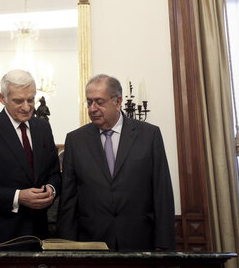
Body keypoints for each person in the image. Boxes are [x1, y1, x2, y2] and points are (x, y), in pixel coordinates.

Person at [57, 74, 175, 251]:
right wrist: (66, 247)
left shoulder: (149, 135)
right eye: (89, 102)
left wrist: (164, 245)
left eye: (99, 102)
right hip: (91, 242)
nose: (93, 108)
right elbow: (68, 199)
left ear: (118, 101)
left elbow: (162, 191)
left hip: (140, 240)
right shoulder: (76, 140)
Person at [0, 69, 62, 248]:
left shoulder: (43, 128)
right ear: (2, 98)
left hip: (38, 236)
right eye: (18, 101)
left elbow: (54, 173)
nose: (26, 107)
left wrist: (51, 189)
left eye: (30, 99)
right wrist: (18, 196)